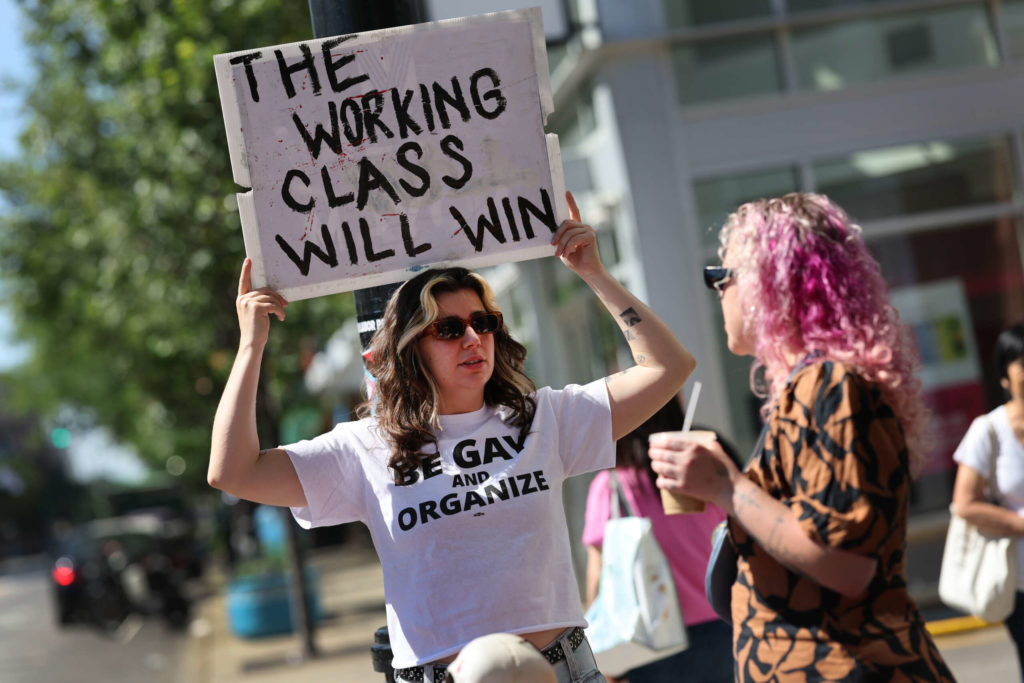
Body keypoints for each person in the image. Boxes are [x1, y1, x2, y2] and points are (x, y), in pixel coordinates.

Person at [208, 191, 696, 683]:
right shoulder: (365, 448)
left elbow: (669, 366)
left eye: (483, 323)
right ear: (409, 349)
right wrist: (252, 345)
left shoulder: (547, 417)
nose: (472, 338)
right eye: (448, 329)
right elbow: (233, 472)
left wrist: (594, 273)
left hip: (564, 670)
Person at [648, 193, 954, 682]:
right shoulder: (812, 389)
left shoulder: (831, 386)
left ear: (773, 284)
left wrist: (727, 488)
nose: (718, 290)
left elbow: (846, 566)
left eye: (723, 275)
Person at [582, 397, 732, 683]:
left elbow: (599, 574)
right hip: (723, 621)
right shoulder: (706, 472)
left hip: (653, 637)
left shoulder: (611, 486)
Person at [951, 322, 1024, 678]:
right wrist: (1020, 524)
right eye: (1023, 364)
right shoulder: (988, 431)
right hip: (1018, 579)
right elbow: (964, 504)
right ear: (1005, 378)